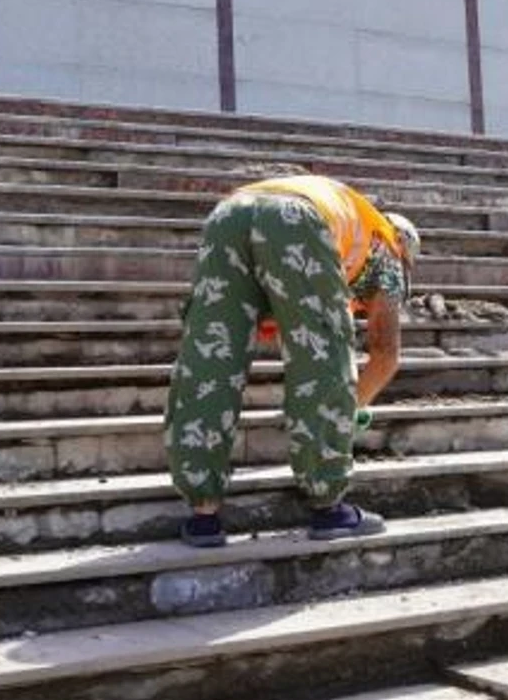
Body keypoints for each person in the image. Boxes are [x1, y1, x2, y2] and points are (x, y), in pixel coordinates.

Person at [165, 166, 419, 547]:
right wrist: (350, 411)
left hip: (227, 215)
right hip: (295, 219)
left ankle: (203, 513)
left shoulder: (347, 219)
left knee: (210, 358)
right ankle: (327, 506)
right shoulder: (387, 246)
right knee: (322, 358)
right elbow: (385, 354)